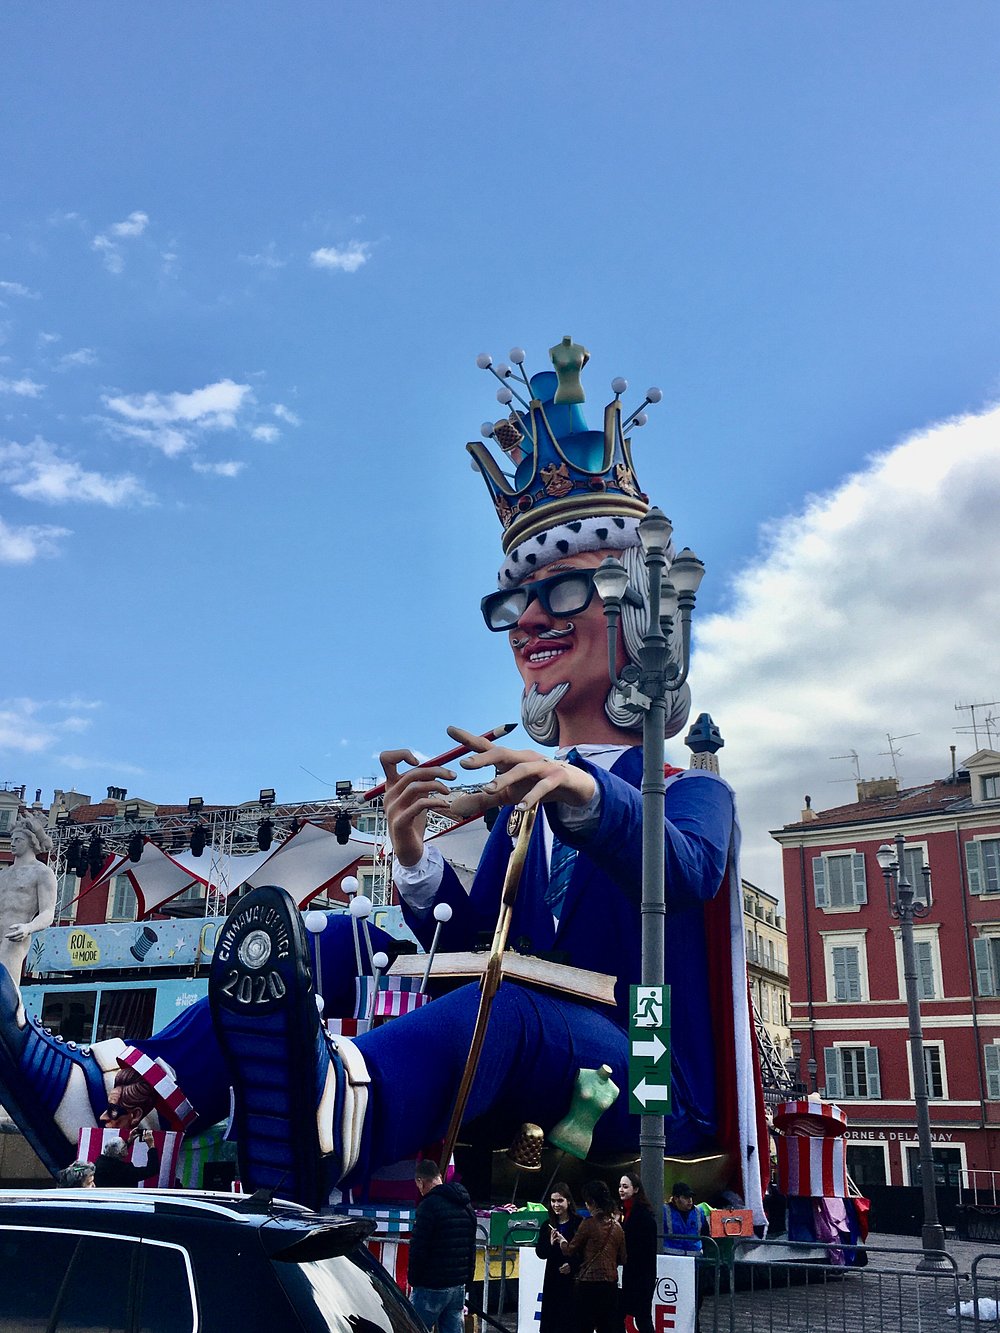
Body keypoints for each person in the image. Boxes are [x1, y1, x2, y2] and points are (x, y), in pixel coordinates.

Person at [0, 340, 764, 1219]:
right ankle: (114, 1094)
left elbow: (688, 868)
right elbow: (480, 938)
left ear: (637, 606)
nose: (528, 625)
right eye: (512, 603)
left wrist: (582, 791)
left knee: (506, 1010)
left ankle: (341, 1111)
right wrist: (412, 860)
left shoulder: (684, 789)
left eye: (560, 594)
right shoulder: (527, 809)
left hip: (646, 1062)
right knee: (331, 939)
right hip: (545, 1042)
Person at [408, 1158, 476, 1333]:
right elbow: (471, 1246)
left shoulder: (428, 1206)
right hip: (458, 1285)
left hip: (431, 1285)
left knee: (413, 1327)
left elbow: (418, 1248)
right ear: (439, 1177)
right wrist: (467, 1280)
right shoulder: (465, 1204)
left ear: (420, 1181)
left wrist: (414, 1279)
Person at [0, 818, 56, 1023]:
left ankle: (16, 1022)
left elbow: (48, 912)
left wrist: (28, 927)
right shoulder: (3, 874)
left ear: (31, 842)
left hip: (15, 933)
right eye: (12, 839)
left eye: (18, 839)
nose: (12, 843)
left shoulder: (42, 872)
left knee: (6, 987)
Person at [557, 1179, 625, 1333]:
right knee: (607, 1327)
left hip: (588, 1285)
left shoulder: (588, 1224)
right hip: (610, 1285)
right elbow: (623, 1258)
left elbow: (570, 1250)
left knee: (583, 1326)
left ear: (592, 1202)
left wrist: (561, 1241)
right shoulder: (618, 1227)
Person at [535, 1181, 582, 1333]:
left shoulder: (578, 1223)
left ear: (568, 1201)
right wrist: (549, 1243)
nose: (556, 1205)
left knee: (569, 1321)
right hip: (552, 1279)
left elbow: (585, 1253)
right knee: (551, 1321)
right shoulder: (547, 1225)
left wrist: (572, 1265)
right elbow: (541, 1253)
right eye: (553, 1201)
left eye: (560, 1200)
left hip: (572, 1281)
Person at [618, 1172, 656, 1333]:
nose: (621, 1190)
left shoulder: (642, 1215)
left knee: (642, 1318)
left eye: (625, 1186)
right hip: (633, 1273)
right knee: (632, 1316)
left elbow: (641, 1247)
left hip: (641, 1275)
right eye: (620, 1186)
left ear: (636, 1189)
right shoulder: (627, 1212)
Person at [93, 1129, 159, 1188]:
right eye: (124, 1146)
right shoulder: (126, 1171)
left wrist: (129, 1141)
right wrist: (151, 1146)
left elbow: (117, 1153)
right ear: (120, 1152)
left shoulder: (99, 1162)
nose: (126, 1147)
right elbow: (152, 1170)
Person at [662, 1181, 704, 1255]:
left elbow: (705, 1234)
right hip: (671, 1258)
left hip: (694, 1259)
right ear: (676, 1198)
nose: (690, 1200)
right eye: (686, 1197)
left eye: (690, 1197)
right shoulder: (665, 1211)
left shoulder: (699, 1212)